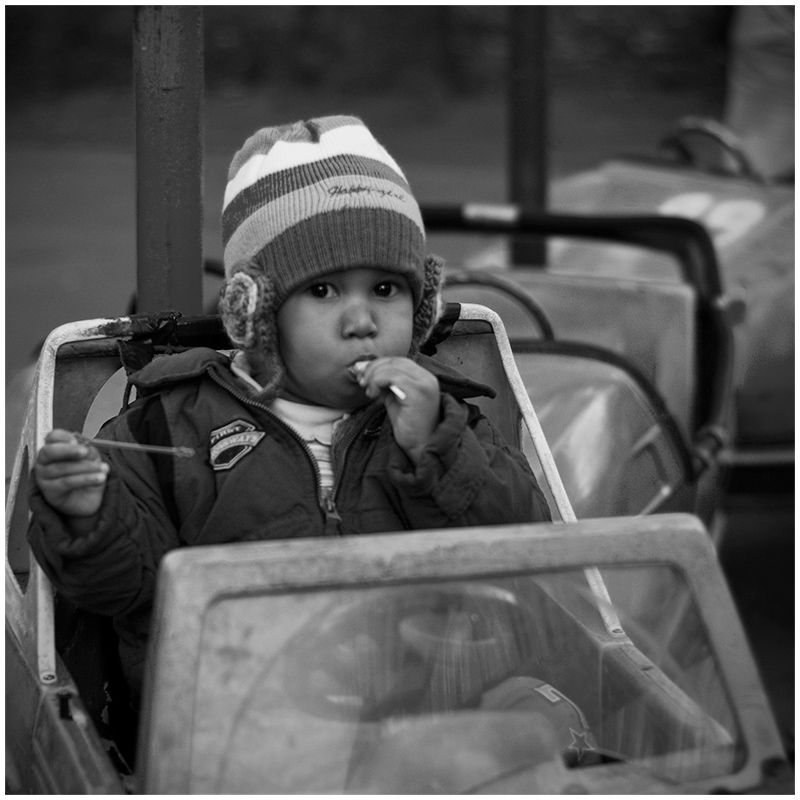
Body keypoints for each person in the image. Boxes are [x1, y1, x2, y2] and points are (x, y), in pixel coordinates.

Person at [28, 115, 551, 700]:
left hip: (424, 717)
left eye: (386, 289)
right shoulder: (171, 425)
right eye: (322, 291)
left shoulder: (447, 420)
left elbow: (529, 555)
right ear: (258, 313)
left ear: (422, 305)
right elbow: (120, 592)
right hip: (234, 723)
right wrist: (86, 515)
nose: (362, 321)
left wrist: (437, 450)